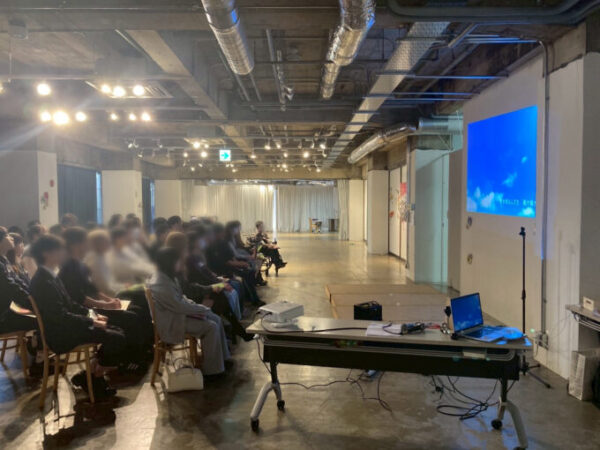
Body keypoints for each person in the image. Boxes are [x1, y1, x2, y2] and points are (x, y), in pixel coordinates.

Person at [29, 234, 127, 399]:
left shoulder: (50, 276)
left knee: (117, 330)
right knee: (117, 337)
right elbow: (59, 315)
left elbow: (71, 305)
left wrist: (93, 315)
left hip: (68, 327)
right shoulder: (43, 281)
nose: (63, 253)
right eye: (59, 250)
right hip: (60, 334)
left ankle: (91, 376)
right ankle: (92, 377)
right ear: (46, 253)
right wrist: (91, 321)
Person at [60, 227, 146, 370]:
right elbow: (79, 298)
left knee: (136, 310)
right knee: (130, 318)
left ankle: (133, 355)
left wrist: (109, 301)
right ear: (75, 244)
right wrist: (105, 305)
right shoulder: (69, 266)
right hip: (84, 313)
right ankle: (125, 359)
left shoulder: (79, 263)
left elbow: (92, 289)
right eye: (84, 242)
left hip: (91, 307)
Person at [148, 247, 230, 378]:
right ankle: (212, 371)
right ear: (169, 263)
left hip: (177, 315)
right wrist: (202, 309)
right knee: (211, 327)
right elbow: (179, 306)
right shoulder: (160, 283)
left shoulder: (168, 276)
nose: (180, 264)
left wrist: (199, 307)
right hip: (172, 322)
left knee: (216, 318)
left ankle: (222, 360)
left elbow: (182, 298)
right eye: (178, 261)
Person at [165, 232, 251, 341]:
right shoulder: (182, 263)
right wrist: (212, 288)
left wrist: (217, 283)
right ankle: (231, 331)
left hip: (197, 291)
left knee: (221, 295)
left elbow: (205, 274)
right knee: (219, 298)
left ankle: (232, 330)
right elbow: (189, 288)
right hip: (190, 299)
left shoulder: (191, 258)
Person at [206, 223, 264, 306]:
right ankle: (253, 299)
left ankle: (250, 297)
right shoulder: (217, 245)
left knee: (249, 271)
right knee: (246, 274)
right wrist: (240, 264)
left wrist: (240, 263)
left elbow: (231, 257)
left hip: (227, 267)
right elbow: (227, 262)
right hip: (223, 270)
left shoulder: (222, 242)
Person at [0, 227, 37, 335]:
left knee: (42, 313)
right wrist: (32, 300)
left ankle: (37, 342)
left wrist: (34, 295)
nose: (11, 237)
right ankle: (38, 343)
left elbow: (19, 283)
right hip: (5, 315)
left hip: (13, 309)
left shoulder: (4, 261)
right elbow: (12, 288)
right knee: (40, 317)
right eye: (6, 235)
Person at [84, 229, 125, 297]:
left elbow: (111, 282)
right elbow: (106, 288)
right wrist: (124, 287)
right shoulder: (95, 262)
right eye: (107, 241)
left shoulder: (101, 256)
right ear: (99, 244)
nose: (110, 244)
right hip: (107, 297)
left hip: (112, 292)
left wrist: (123, 286)